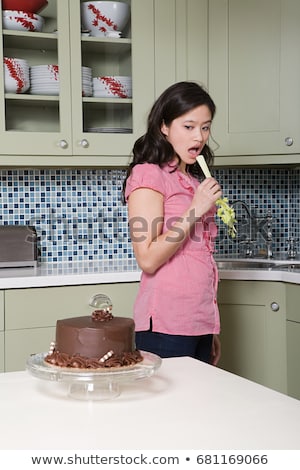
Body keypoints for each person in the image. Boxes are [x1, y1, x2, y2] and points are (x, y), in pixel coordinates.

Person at [123, 81, 222, 365]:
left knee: (201, 407)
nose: (199, 137)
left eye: (205, 127)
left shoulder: (193, 182)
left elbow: (202, 259)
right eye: (188, 127)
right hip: (166, 325)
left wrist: (212, 327)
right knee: (171, 409)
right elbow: (148, 259)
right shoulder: (148, 175)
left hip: (200, 321)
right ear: (164, 126)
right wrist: (194, 210)